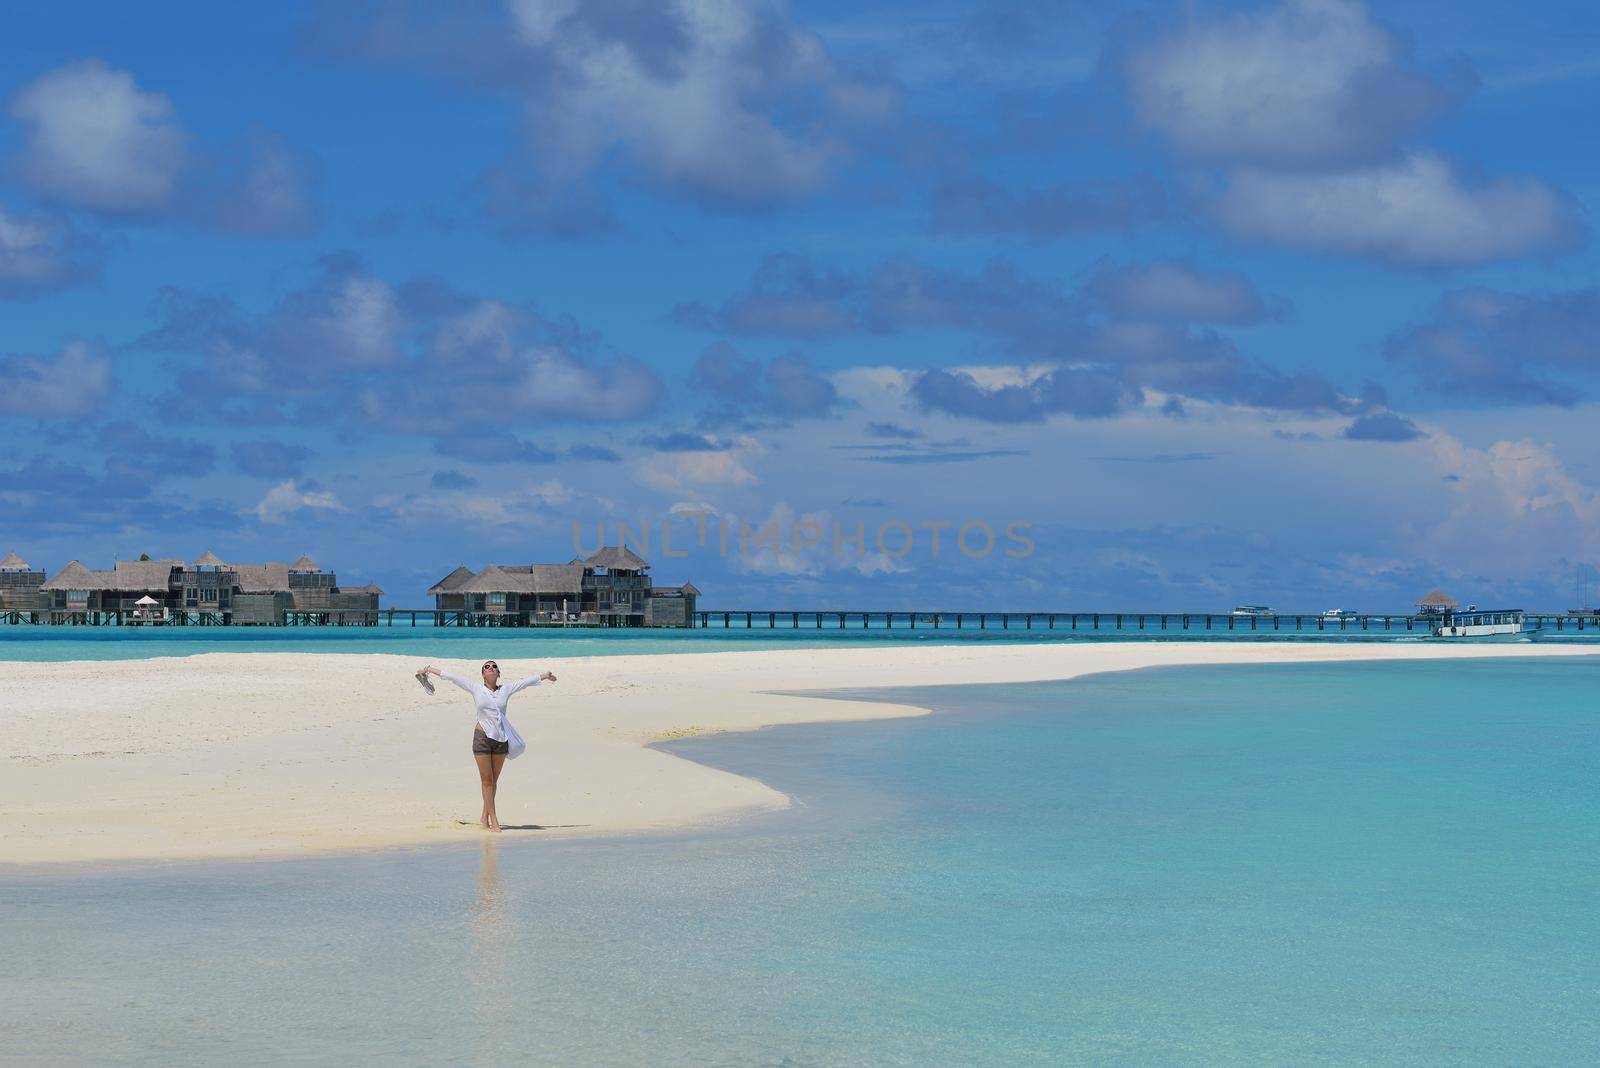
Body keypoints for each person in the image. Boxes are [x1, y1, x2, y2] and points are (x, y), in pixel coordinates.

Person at [415, 660, 557, 832]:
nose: (490, 668)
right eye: (486, 667)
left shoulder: (506, 689)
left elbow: (525, 682)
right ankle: (494, 819)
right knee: (486, 781)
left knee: (493, 782)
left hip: (501, 740)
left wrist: (545, 676)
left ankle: (484, 816)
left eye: (494, 666)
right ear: (483, 674)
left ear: (498, 673)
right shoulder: (476, 688)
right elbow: (451, 677)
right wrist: (428, 669)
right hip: (482, 738)